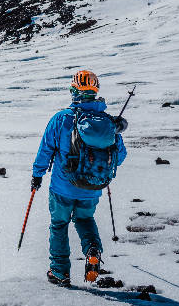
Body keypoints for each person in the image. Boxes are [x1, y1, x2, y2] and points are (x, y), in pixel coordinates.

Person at [31, 70, 128, 286]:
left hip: (62, 187)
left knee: (59, 225)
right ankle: (93, 250)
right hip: (92, 186)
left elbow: (45, 151)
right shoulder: (108, 123)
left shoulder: (62, 119)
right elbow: (119, 156)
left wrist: (37, 175)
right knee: (84, 219)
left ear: (74, 91)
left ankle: (59, 272)